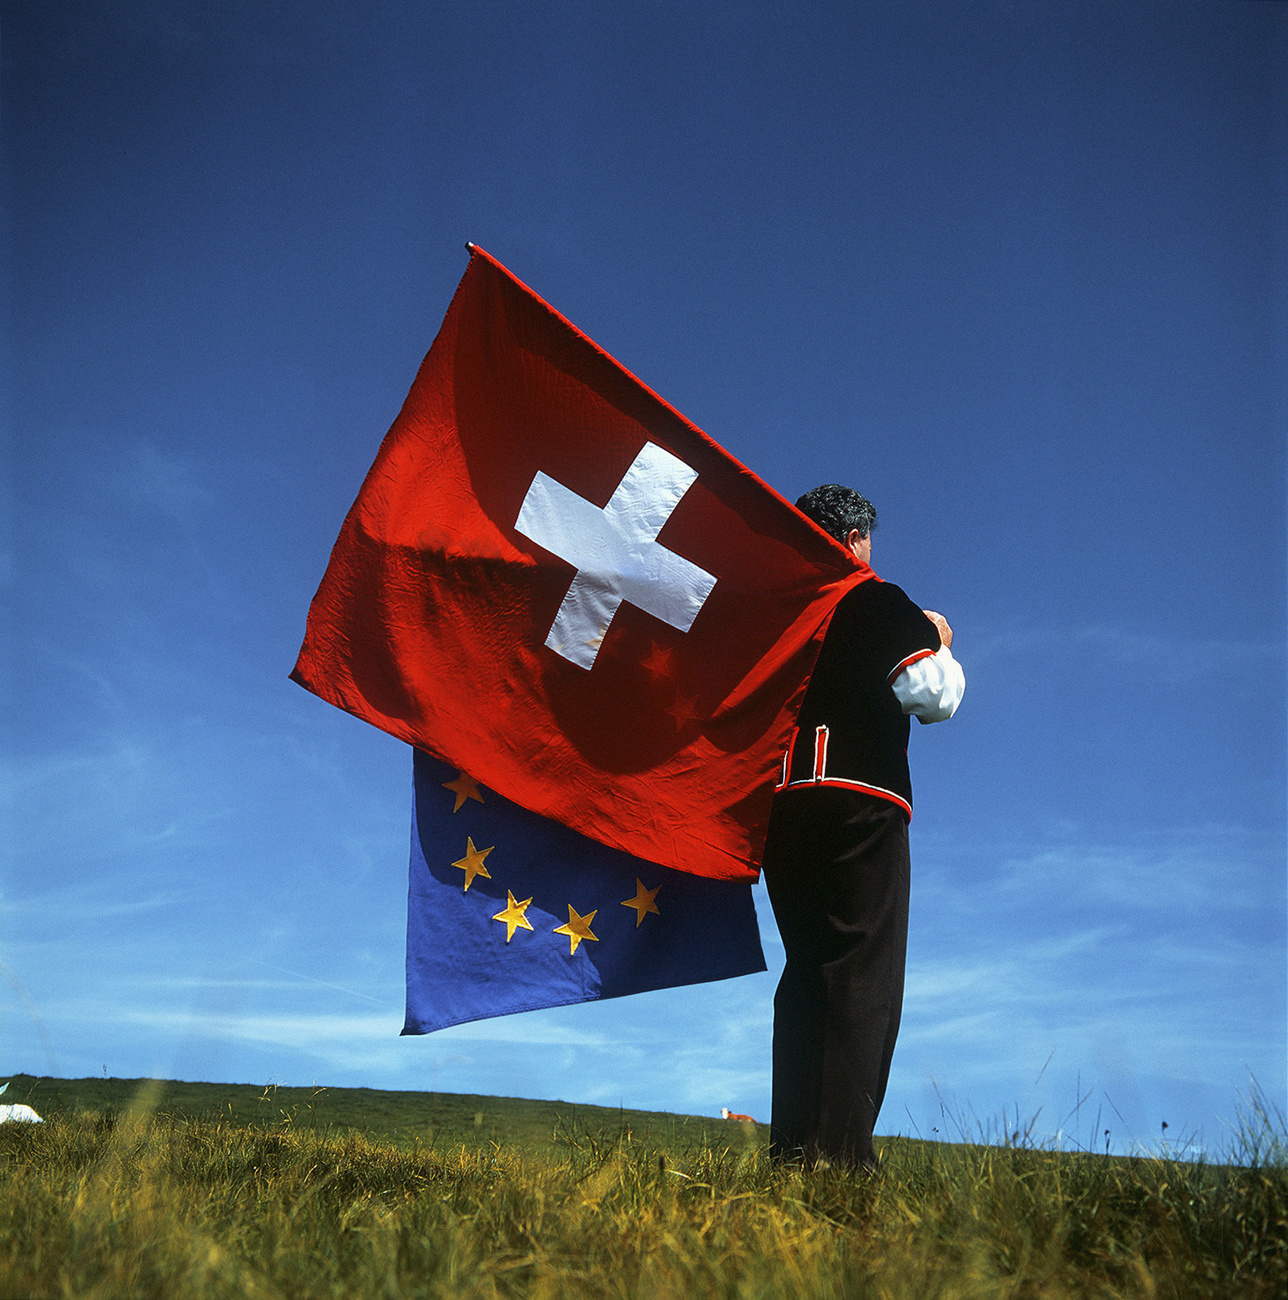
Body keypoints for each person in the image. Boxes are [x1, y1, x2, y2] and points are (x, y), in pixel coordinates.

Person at [762, 483, 965, 1169]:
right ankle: (840, 1162)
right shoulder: (873, 596)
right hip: (860, 801)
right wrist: (935, 639)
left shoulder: (774, 612)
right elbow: (931, 696)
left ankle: (790, 1154)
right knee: (860, 978)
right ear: (855, 539)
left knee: (806, 977)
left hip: (781, 807)